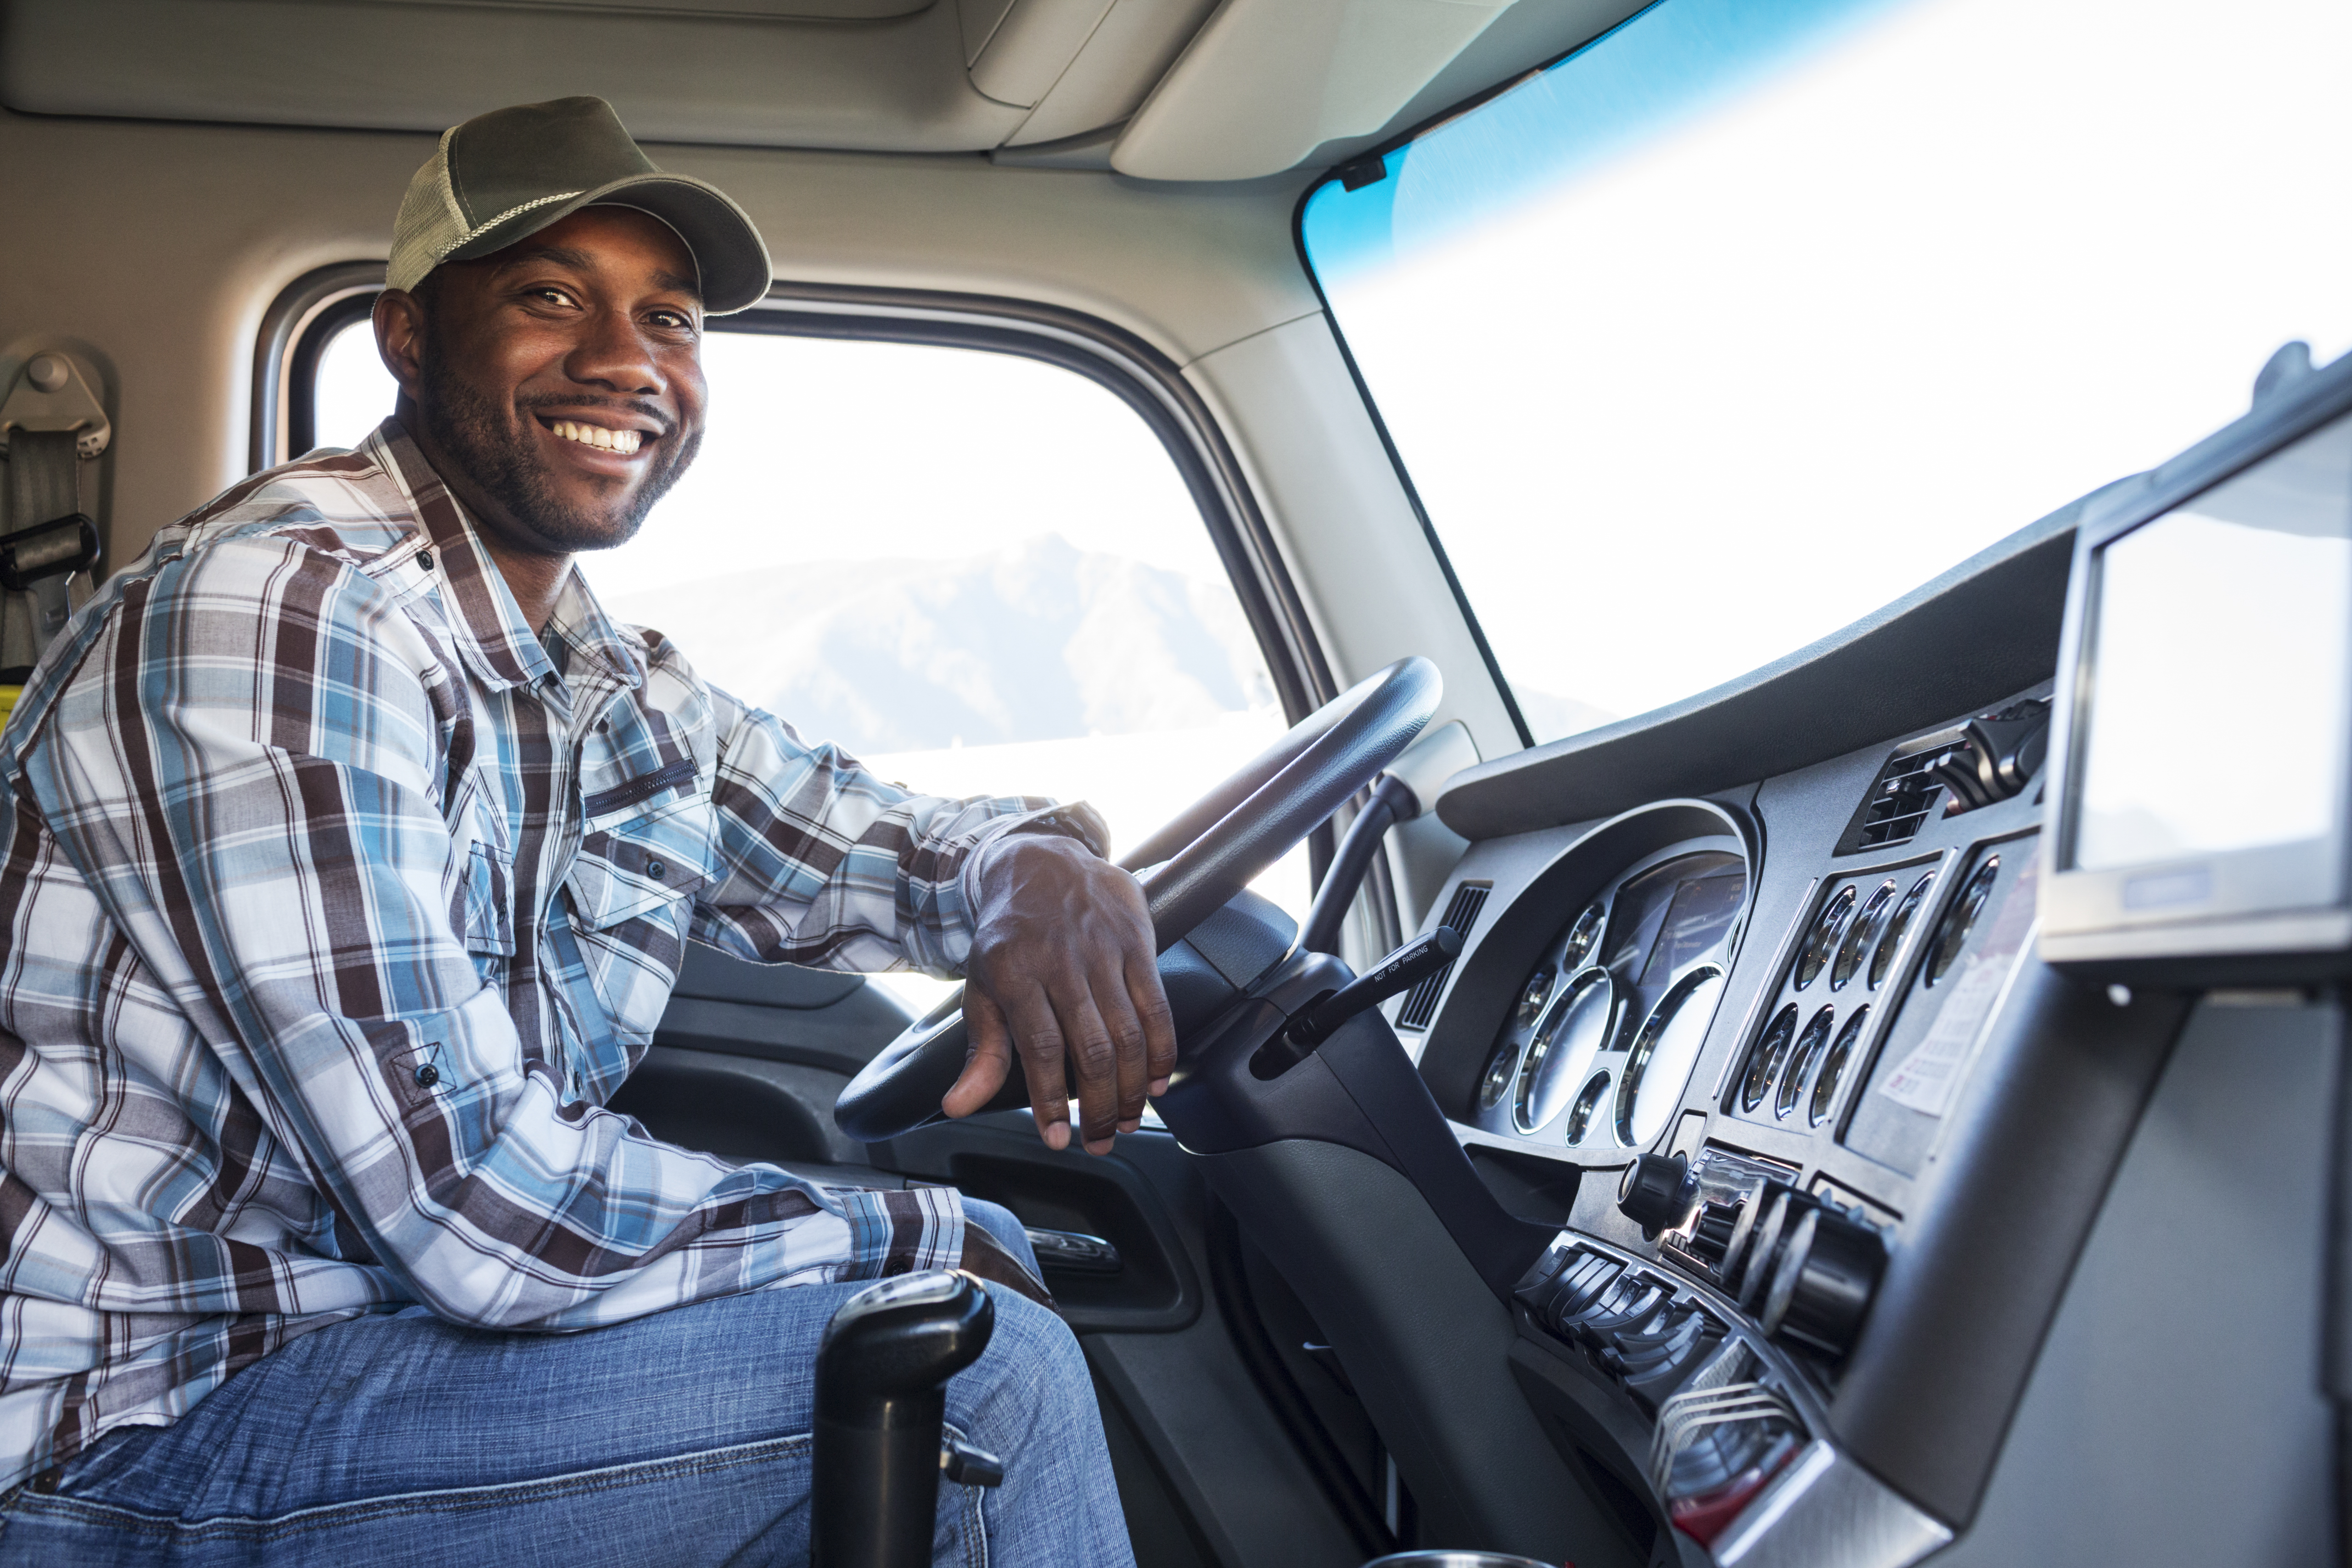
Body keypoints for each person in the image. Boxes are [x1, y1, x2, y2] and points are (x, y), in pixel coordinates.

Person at [0, 96, 1169, 1565]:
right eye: (552, 298)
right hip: (157, 1427)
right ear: (408, 336)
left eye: (669, 318)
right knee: (973, 1367)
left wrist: (1029, 863)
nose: (627, 362)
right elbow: (480, 1213)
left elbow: (853, 837)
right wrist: (943, 1232)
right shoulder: (280, 615)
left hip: (387, 1356)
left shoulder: (598, 674)